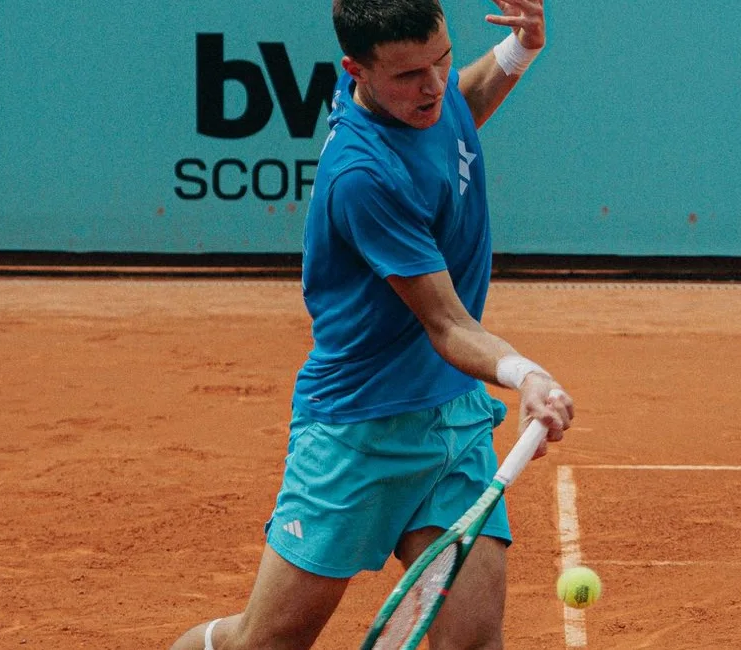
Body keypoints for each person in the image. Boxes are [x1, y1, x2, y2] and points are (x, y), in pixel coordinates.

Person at [169, 0, 572, 648]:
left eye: (441, 58)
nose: (433, 84)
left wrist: (519, 50)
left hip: (454, 421)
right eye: (410, 75)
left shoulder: (426, 95)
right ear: (355, 70)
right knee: (266, 643)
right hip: (359, 432)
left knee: (471, 642)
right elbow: (446, 326)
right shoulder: (363, 175)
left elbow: (459, 106)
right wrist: (525, 373)